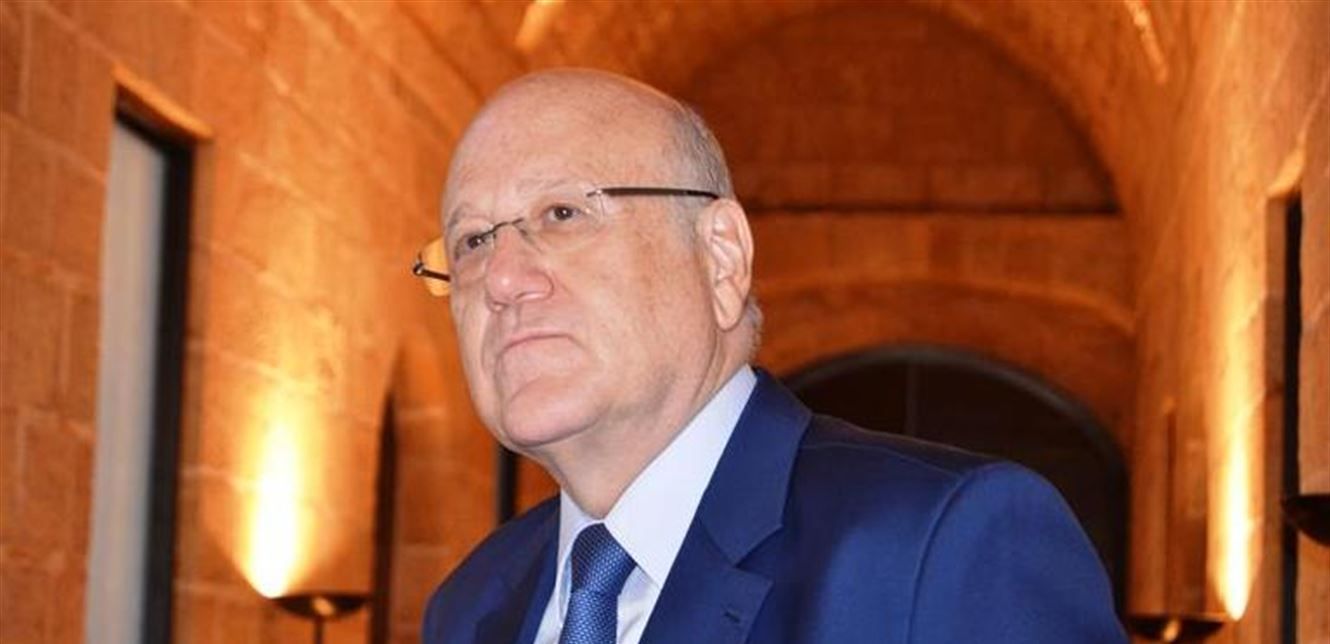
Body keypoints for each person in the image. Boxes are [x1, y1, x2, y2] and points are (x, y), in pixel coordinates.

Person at [414, 68, 1125, 644]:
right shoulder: (471, 605)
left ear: (721, 258)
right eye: (472, 242)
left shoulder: (942, 548)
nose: (501, 279)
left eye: (562, 214)